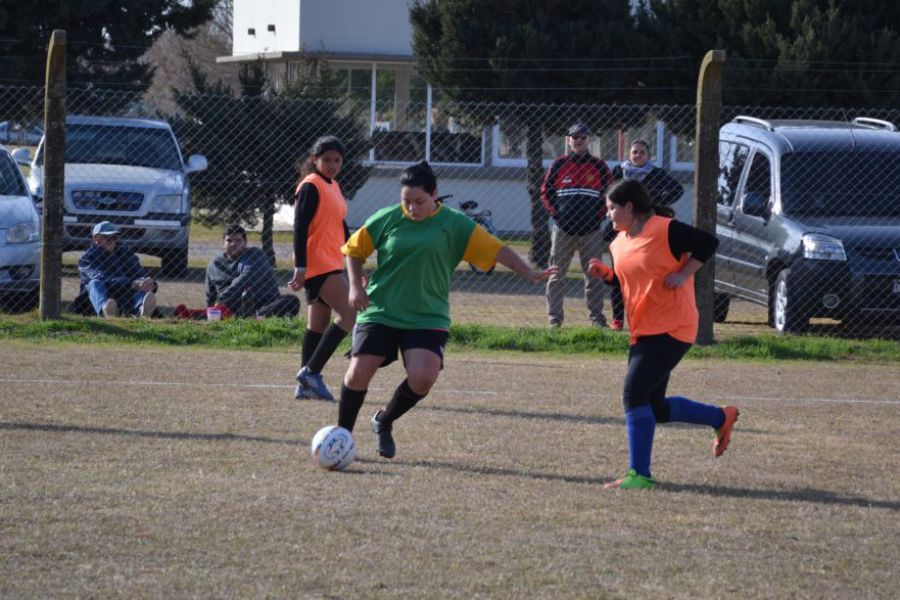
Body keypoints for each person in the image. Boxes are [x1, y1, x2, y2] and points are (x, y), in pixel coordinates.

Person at [337, 161, 556, 458]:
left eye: (419, 202)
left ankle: (384, 420)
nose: (412, 209)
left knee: (423, 378)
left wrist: (527, 272)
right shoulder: (387, 218)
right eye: (406, 202)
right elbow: (353, 249)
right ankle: (341, 439)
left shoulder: (455, 224)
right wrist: (355, 286)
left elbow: (496, 249)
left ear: (435, 194)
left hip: (427, 315)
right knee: (358, 374)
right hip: (382, 310)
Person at [586, 179, 738, 490]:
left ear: (629, 207)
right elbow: (631, 280)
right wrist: (608, 275)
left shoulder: (665, 228)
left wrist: (684, 273)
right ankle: (720, 417)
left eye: (612, 208)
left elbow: (708, 242)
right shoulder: (618, 241)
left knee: (633, 395)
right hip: (643, 329)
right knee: (655, 408)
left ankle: (639, 475)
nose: (609, 214)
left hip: (673, 326)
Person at [287, 136, 356, 401]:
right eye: (326, 159)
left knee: (318, 324)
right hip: (318, 263)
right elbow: (300, 227)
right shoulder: (311, 185)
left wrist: (354, 259)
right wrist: (300, 267)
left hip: (330, 260)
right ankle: (311, 373)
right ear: (314, 159)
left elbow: (341, 225)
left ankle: (305, 385)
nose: (331, 164)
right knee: (349, 315)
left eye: (336, 160)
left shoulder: (333, 185)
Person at [541, 122, 614, 328]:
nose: (579, 141)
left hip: (590, 231)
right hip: (563, 230)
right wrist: (557, 215)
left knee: (594, 275)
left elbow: (609, 195)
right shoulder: (558, 165)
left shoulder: (600, 166)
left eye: (583, 137)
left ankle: (596, 319)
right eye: (575, 137)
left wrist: (599, 217)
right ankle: (554, 319)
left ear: (588, 140)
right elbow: (546, 192)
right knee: (556, 275)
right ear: (569, 140)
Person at [607, 139, 685, 330]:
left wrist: (657, 204)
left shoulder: (656, 173)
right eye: (635, 152)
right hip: (624, 229)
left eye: (642, 152)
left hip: (648, 229)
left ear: (648, 155)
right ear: (629, 154)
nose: (638, 156)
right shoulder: (619, 172)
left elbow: (677, 189)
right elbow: (607, 191)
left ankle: (648, 317)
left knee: (646, 272)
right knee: (619, 273)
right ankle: (617, 319)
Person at [204, 224, 300, 318]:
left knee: (291, 301)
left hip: (264, 304)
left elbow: (247, 278)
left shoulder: (255, 254)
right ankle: (255, 318)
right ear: (223, 243)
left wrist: (222, 298)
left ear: (245, 242)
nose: (233, 244)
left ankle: (257, 316)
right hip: (233, 306)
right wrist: (211, 312)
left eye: (238, 240)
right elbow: (210, 294)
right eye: (229, 240)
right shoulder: (214, 264)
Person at [77, 221, 157, 318]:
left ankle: (142, 310)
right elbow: (103, 279)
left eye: (114, 237)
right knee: (94, 283)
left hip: (123, 294)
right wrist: (131, 284)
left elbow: (139, 272)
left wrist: (149, 282)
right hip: (98, 298)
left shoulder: (125, 253)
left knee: (141, 283)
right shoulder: (87, 258)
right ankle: (105, 311)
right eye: (107, 237)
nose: (111, 241)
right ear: (96, 239)